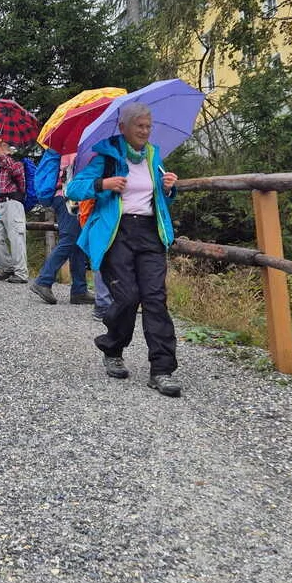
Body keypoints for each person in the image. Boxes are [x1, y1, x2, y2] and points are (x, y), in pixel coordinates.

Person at [65, 102, 183, 398]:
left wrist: (168, 188)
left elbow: (160, 202)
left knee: (155, 298)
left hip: (149, 233)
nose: (145, 131)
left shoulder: (154, 157)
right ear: (123, 128)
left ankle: (162, 370)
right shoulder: (105, 158)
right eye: (139, 126)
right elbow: (73, 190)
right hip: (116, 234)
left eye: (147, 126)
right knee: (127, 297)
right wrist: (103, 183)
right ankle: (113, 347)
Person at [30, 152, 94, 305]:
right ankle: (43, 281)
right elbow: (74, 172)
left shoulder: (66, 146)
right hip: (67, 196)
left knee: (77, 241)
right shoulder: (72, 148)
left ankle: (79, 290)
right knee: (70, 238)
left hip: (65, 196)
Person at [0, 140, 29, 283]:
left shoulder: (17, 162)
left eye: (3, 147)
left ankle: (21, 273)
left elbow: (16, 172)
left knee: (16, 238)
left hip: (13, 203)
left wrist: (0, 152)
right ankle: (9, 267)